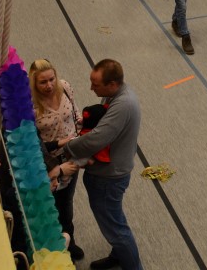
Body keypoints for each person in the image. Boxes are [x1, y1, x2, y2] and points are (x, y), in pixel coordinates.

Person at [58, 59, 142, 270]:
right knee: (114, 219)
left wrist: (68, 147)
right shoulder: (116, 95)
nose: (91, 88)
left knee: (115, 228)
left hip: (108, 178)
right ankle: (119, 255)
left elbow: (97, 138)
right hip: (111, 172)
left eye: (95, 84)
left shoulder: (123, 105)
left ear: (112, 84)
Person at [29, 59, 85, 261]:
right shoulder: (30, 105)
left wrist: (80, 126)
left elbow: (74, 111)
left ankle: (70, 241)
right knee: (48, 207)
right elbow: (34, 143)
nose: (49, 85)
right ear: (34, 83)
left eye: (51, 79)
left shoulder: (65, 87)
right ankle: (54, 248)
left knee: (66, 204)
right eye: (43, 82)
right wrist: (61, 142)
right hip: (48, 164)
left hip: (71, 158)